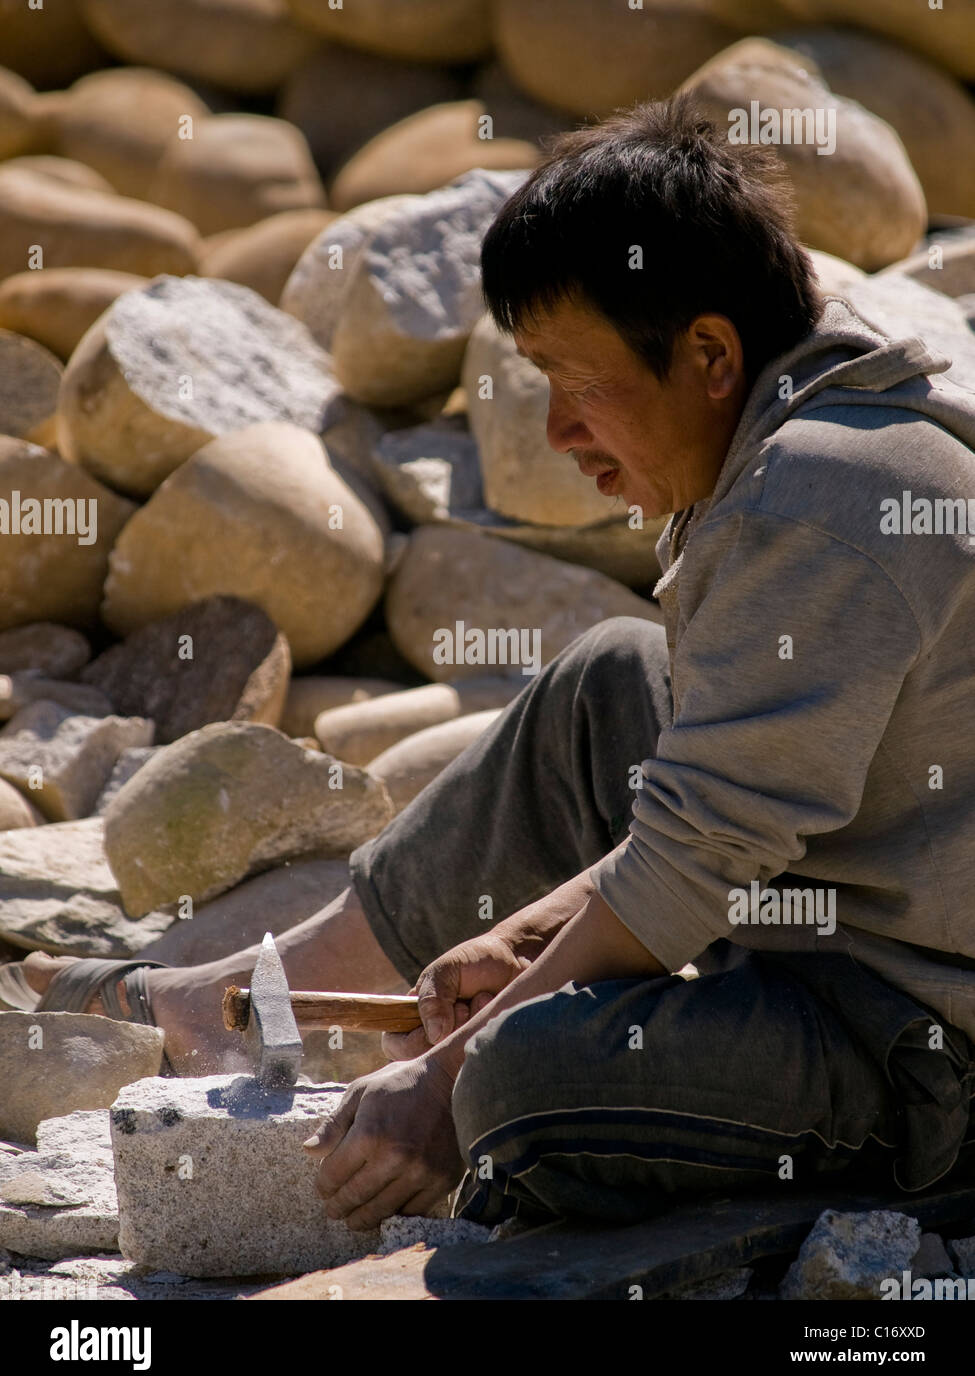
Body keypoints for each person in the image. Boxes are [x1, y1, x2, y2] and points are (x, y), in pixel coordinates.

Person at [10, 95, 975, 1234]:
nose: (563, 431)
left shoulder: (816, 497)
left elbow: (698, 853)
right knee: (608, 682)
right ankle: (251, 990)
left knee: (515, 1078)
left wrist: (444, 1078)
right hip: (805, 910)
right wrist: (526, 938)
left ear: (711, 352)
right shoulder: (798, 435)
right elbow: (710, 821)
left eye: (579, 381)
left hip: (913, 1039)